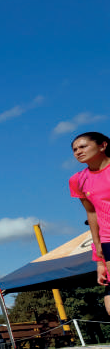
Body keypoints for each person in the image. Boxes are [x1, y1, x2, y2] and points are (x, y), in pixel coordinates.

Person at [70, 131, 110, 317]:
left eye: (83, 146)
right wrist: (99, 256)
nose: (78, 151)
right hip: (107, 238)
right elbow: (92, 212)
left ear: (103, 145)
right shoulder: (77, 180)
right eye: (74, 149)